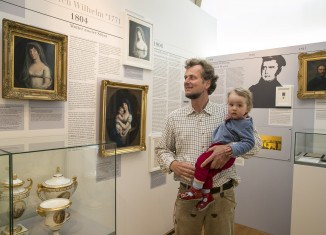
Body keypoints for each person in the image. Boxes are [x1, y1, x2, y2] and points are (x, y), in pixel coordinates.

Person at [155, 58, 262, 235]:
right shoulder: (174, 117)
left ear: (207, 83)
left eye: (192, 77)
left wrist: (228, 149)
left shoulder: (228, 112)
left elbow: (257, 144)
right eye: (185, 77)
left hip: (221, 197)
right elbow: (162, 149)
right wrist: (173, 164)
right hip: (188, 196)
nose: (186, 81)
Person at [179, 88, 255, 212]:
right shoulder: (233, 118)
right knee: (208, 174)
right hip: (218, 150)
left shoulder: (244, 123)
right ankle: (206, 197)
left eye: (239, 105)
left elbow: (252, 143)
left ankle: (195, 190)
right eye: (231, 105)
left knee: (201, 164)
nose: (234, 108)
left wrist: (228, 149)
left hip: (225, 155)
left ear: (247, 109)